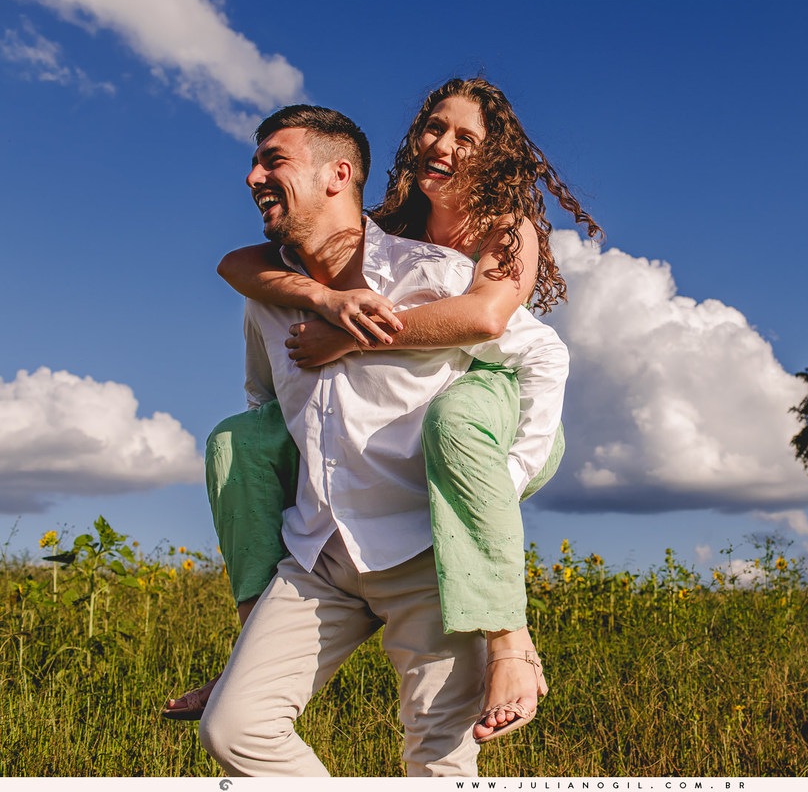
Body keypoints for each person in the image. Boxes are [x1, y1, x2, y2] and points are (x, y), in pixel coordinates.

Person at [167, 79, 601, 749]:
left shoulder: (493, 236)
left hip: (492, 415)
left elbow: (495, 321)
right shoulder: (379, 234)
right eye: (433, 126)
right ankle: (248, 651)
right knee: (239, 441)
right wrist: (325, 298)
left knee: (455, 425)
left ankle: (512, 639)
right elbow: (246, 292)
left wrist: (497, 487)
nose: (441, 143)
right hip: (326, 547)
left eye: (465, 137)